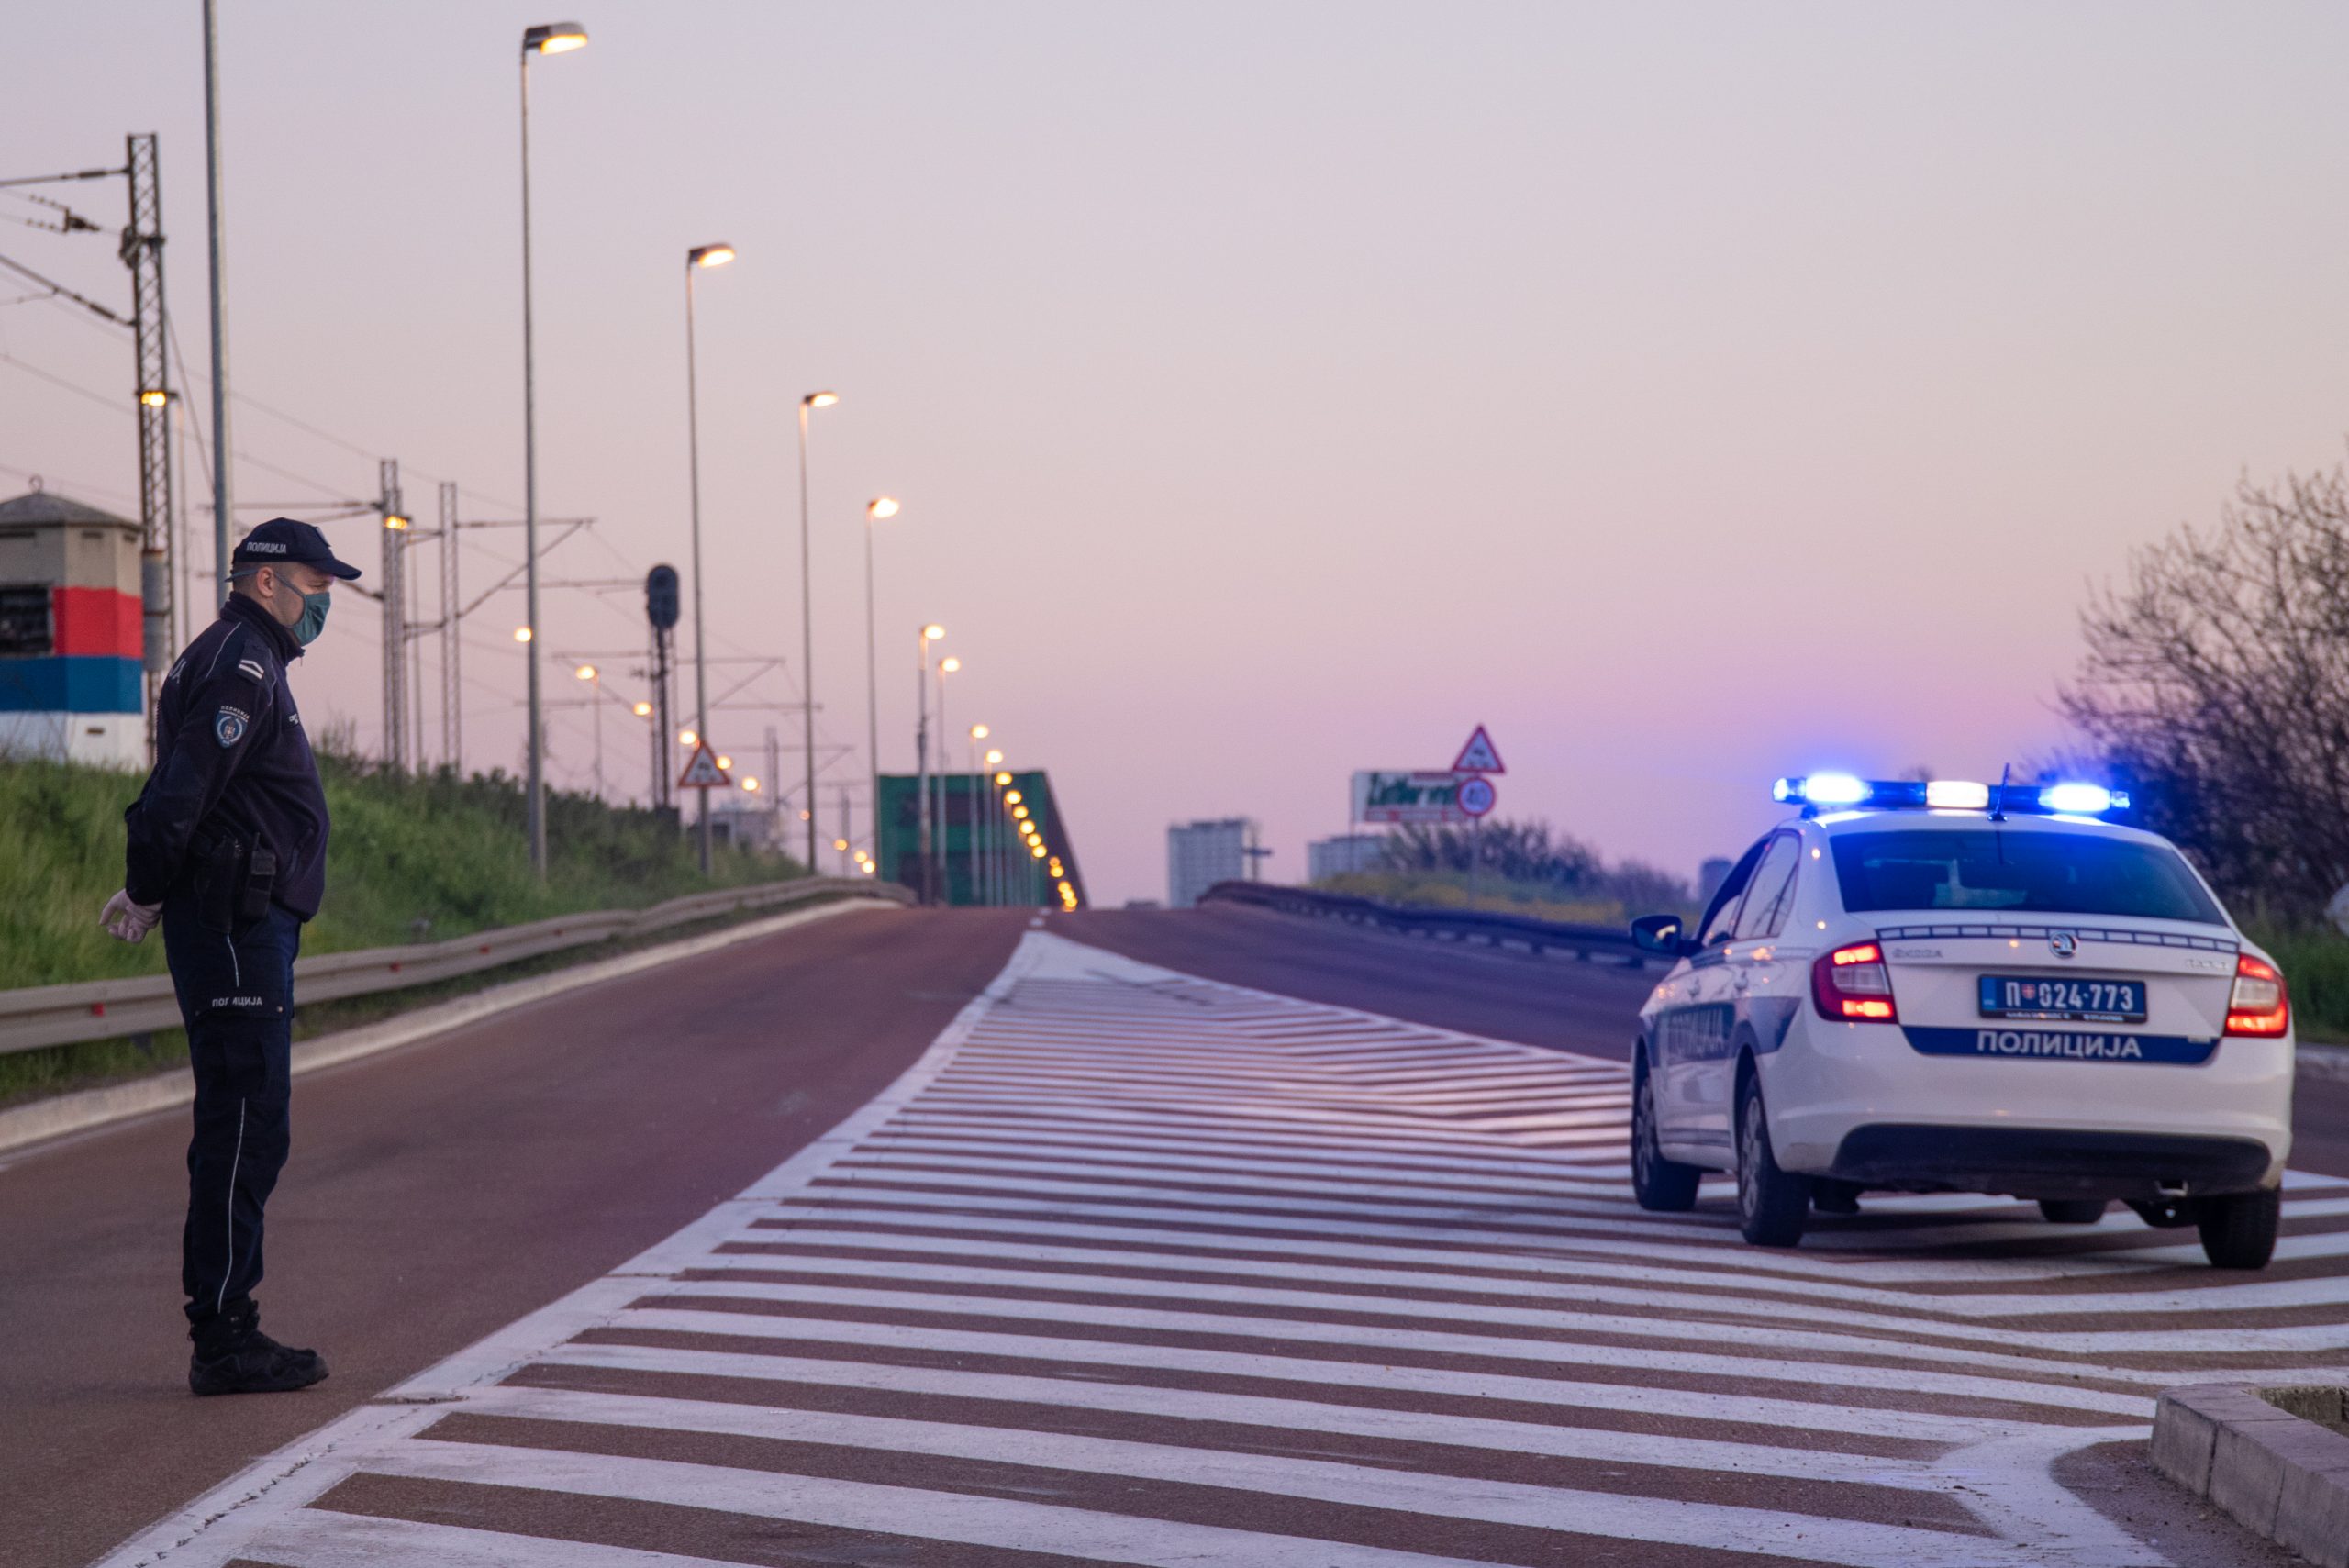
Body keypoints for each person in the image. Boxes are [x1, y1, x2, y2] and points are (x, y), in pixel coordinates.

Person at [100, 517, 360, 1396]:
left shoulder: (241, 660)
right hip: (235, 925)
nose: (323, 599)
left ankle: (227, 1323)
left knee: (248, 1122)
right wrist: (147, 886)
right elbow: (180, 793)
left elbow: (200, 796)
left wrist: (158, 885)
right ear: (265, 581)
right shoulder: (241, 664)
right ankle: (223, 1336)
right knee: (245, 1124)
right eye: (314, 583)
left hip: (242, 920)